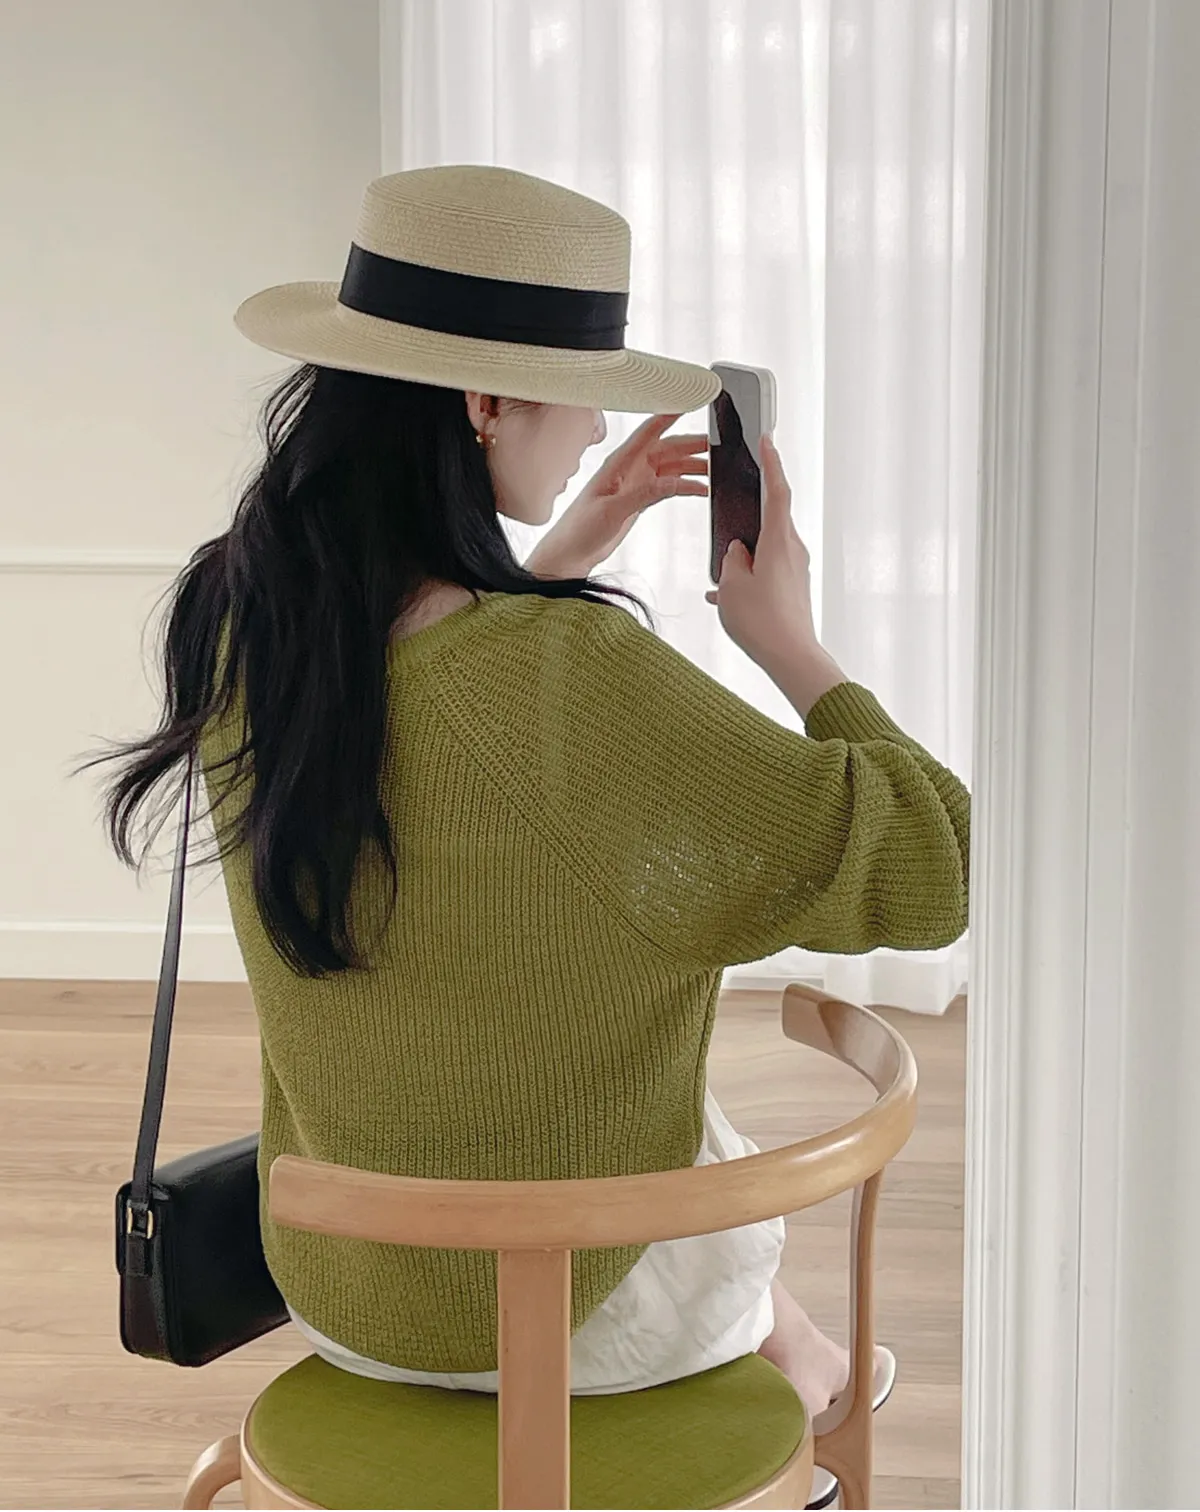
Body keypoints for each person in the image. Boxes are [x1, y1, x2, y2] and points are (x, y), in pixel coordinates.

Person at [93, 166, 968, 1449]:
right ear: (487, 402)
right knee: (677, 1113)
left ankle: (812, 1362)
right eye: (581, 392)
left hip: (345, 1287)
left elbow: (439, 734)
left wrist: (546, 568)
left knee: (591, 1047)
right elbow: (935, 865)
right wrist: (793, 644)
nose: (594, 433)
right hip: (567, 1315)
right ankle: (809, 1382)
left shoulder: (241, 612)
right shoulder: (574, 676)